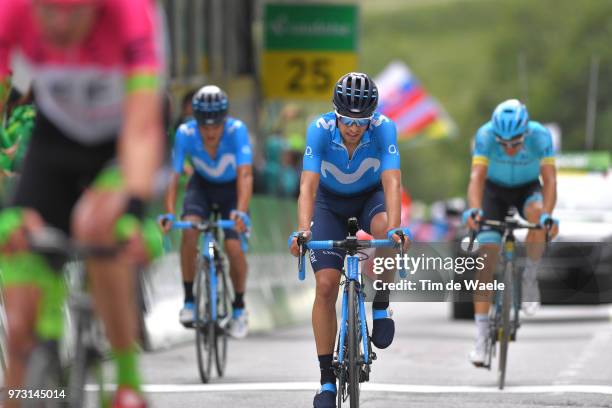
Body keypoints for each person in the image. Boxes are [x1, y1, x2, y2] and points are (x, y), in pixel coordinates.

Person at [0, 0, 164, 407]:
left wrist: (134, 211)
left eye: (70, 13)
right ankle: (26, 388)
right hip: (56, 141)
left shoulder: (130, 14)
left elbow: (143, 129)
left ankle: (126, 379)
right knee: (19, 327)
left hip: (122, 141)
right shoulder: (13, 12)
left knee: (97, 225)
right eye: (47, 11)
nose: (57, 24)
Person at [289, 72, 410, 408]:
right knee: (326, 286)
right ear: (335, 113)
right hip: (329, 204)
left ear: (372, 117)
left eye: (362, 121)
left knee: (387, 230)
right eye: (347, 120)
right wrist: (303, 231)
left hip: (370, 197)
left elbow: (392, 182)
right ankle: (327, 379)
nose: (354, 128)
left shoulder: (384, 127)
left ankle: (381, 303)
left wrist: (398, 228)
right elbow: (307, 187)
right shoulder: (319, 130)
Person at [463, 99, 559, 367]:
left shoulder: (540, 135)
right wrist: (473, 210)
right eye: (502, 143)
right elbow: (476, 178)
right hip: (493, 191)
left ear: (526, 133)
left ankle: (530, 276)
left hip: (528, 188)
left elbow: (549, 179)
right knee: (486, 261)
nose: (508, 148)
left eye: (515, 143)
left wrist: (548, 215)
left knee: (538, 216)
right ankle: (481, 337)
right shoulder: (484, 135)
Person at [160, 85, 253, 339]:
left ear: (224, 120)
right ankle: (189, 300)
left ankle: (239, 306)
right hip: (201, 186)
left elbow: (245, 174)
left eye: (215, 126)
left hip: (231, 189)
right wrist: (169, 213)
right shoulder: (184, 133)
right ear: (195, 121)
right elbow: (173, 174)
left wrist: (241, 212)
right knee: (189, 230)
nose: (210, 132)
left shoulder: (237, 131)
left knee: (234, 247)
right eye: (205, 126)